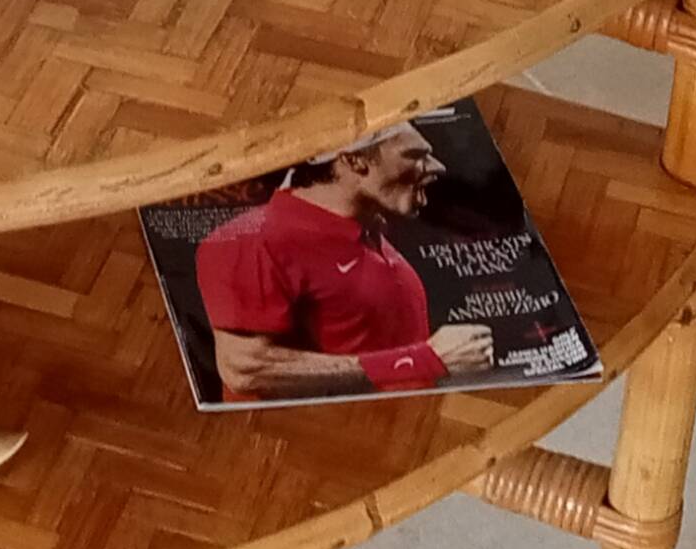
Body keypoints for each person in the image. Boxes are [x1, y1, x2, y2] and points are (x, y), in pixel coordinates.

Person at [195, 124, 493, 399]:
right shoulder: (250, 240)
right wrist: (420, 361)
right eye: (415, 155)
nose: (438, 166)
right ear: (354, 160)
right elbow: (245, 371)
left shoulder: (373, 233)